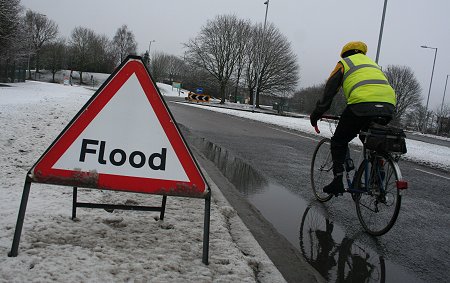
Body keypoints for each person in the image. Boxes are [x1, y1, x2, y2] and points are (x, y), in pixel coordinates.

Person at [310, 41, 396, 196]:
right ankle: (377, 178)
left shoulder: (344, 63)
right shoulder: (373, 65)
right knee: (372, 141)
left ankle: (337, 181)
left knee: (339, 141)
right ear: (362, 53)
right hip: (388, 107)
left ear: (344, 53)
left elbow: (330, 91)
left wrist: (316, 113)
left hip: (361, 106)